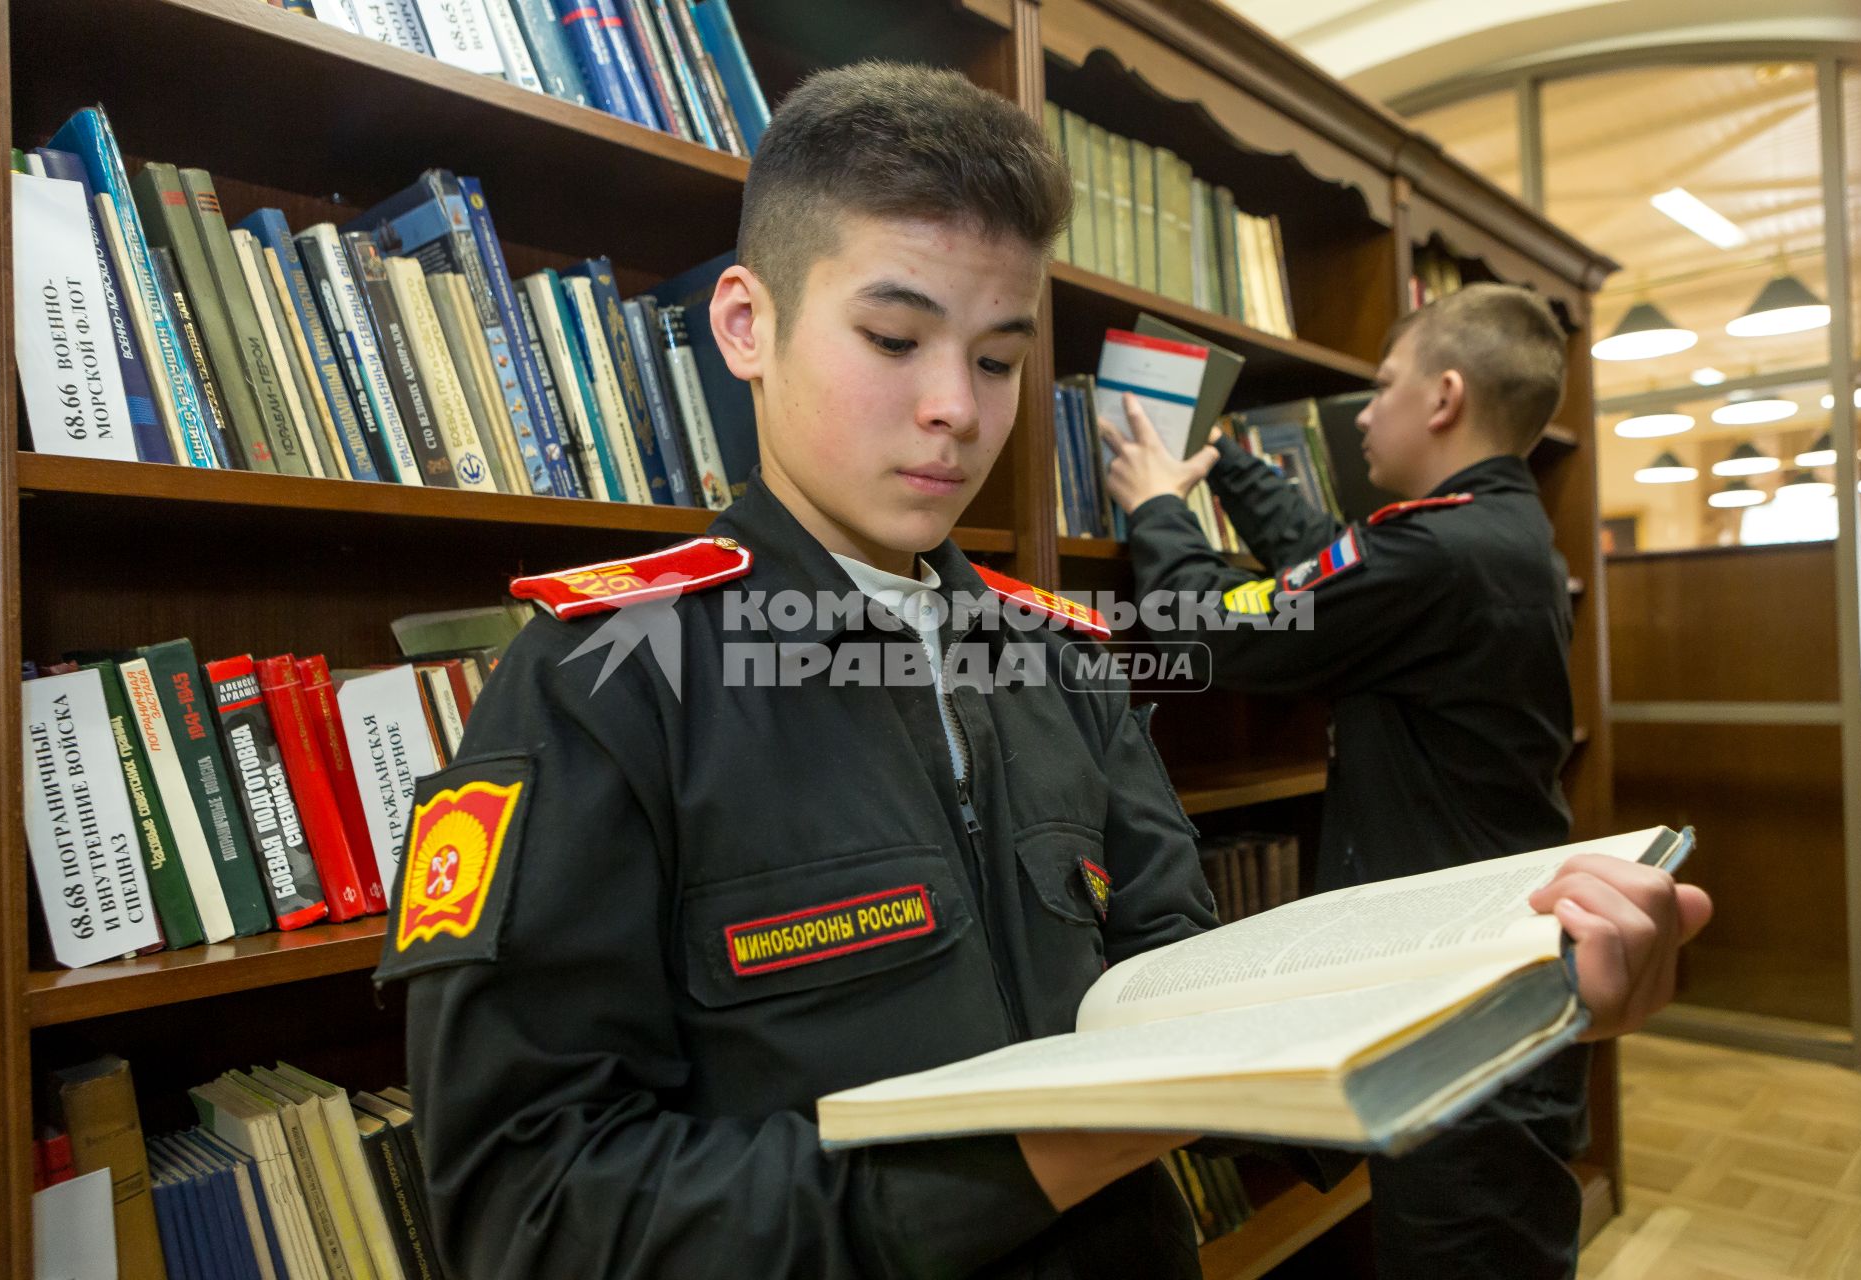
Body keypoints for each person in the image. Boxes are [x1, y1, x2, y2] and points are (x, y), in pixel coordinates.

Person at [376, 65, 1709, 1280]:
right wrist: (1020, 1164)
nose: (958, 405)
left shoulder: (1062, 661)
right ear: (746, 324)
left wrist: (1520, 1009)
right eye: (895, 339)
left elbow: (1204, 1002)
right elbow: (528, 1213)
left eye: (1003, 356)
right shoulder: (598, 683)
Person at [1102, 283, 1644, 1278]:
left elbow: (1220, 628)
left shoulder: (1435, 552)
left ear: (1442, 397)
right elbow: (1332, 569)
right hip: (1494, 994)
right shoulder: (1491, 532)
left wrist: (1156, 508)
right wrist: (1229, 466)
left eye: (1384, 383)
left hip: (1463, 1024)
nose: (1363, 408)